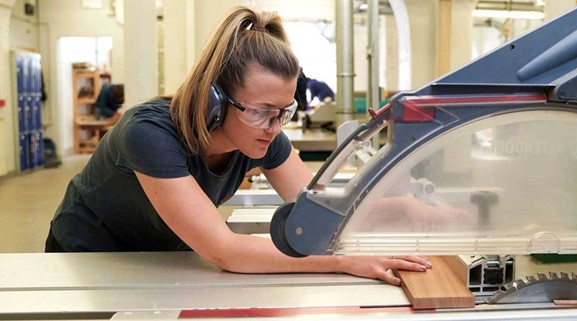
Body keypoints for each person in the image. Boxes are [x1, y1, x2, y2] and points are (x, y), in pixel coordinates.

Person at [44, 6, 432, 286]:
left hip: (163, 255)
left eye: (284, 111)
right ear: (214, 100)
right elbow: (225, 250)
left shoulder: (263, 135)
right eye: (263, 111)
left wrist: (406, 209)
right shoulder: (148, 133)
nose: (275, 126)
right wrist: (345, 261)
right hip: (89, 256)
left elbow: (319, 210)